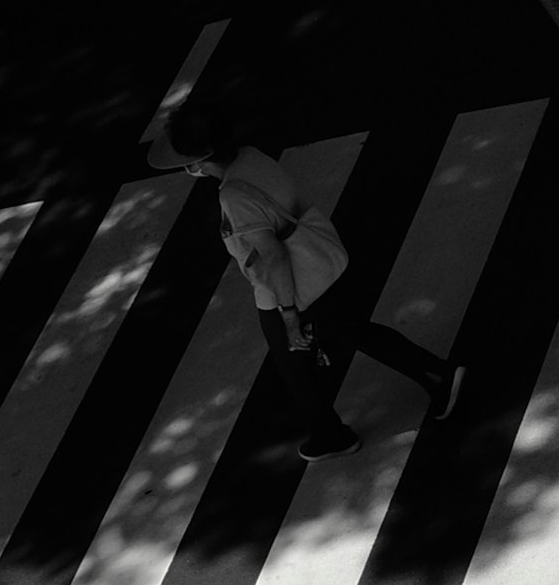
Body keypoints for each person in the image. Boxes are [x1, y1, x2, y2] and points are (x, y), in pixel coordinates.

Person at [159, 100, 461, 463]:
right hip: (318, 267)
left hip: (289, 287)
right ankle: (428, 381)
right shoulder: (250, 157)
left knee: (300, 365)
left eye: (185, 160)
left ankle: (345, 428)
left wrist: (289, 314)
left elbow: (273, 255)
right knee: (353, 334)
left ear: (198, 159)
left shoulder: (233, 195)